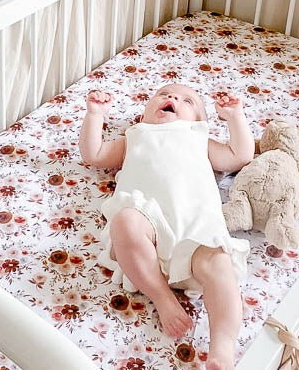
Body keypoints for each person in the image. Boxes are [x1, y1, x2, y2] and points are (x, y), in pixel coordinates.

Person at [80, 83, 254, 370]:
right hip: (148, 222)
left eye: (188, 101)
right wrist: (95, 115)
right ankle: (162, 297)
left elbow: (240, 155)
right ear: (147, 110)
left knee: (221, 267)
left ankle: (222, 347)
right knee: (124, 221)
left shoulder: (198, 137)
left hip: (196, 228)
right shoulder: (136, 135)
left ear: (199, 121)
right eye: (163, 94)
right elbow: (94, 155)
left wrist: (235, 117)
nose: (172, 98)